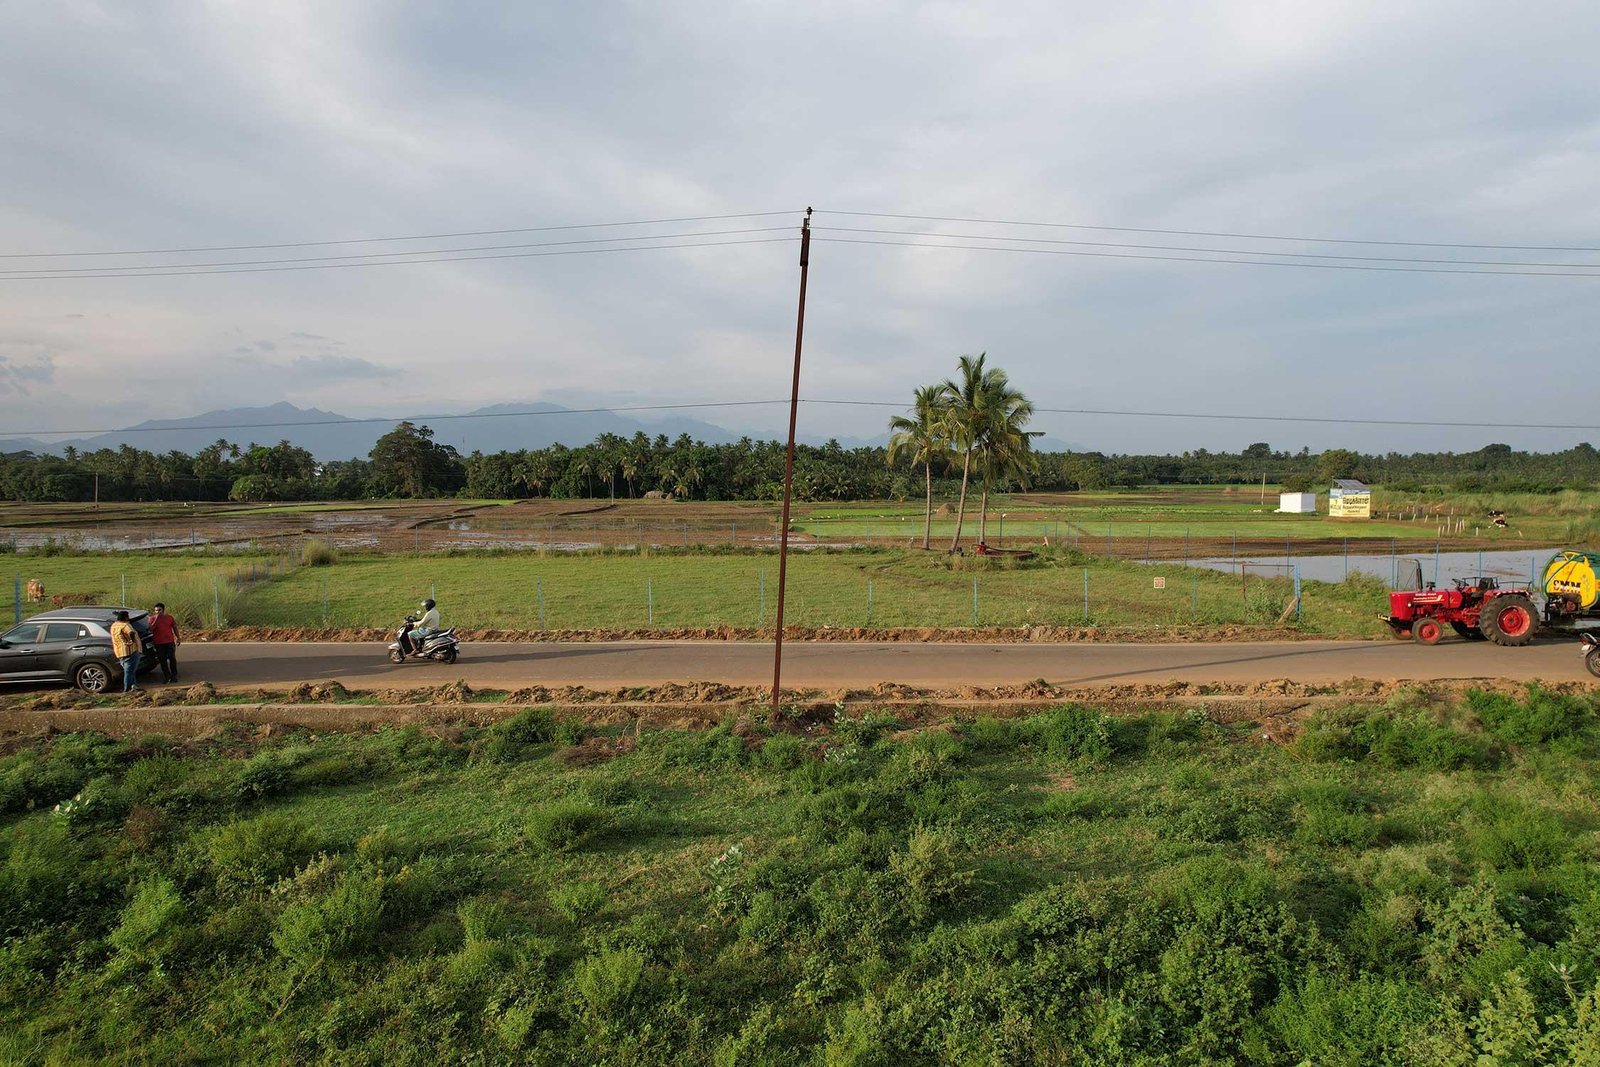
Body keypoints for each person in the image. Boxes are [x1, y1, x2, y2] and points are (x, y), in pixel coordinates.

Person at [110, 610, 143, 694]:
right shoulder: (125, 625)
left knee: (130, 670)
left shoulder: (114, 625)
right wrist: (133, 641)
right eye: (128, 616)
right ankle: (127, 689)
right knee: (129, 671)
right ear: (125, 617)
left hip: (119, 652)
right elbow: (131, 633)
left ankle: (134, 686)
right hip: (130, 650)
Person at [148, 602, 181, 684]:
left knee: (172, 658)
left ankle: (174, 675)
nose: (157, 612)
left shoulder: (169, 618)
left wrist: (178, 637)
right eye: (156, 610)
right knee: (162, 660)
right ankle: (167, 676)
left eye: (159, 610)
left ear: (163, 610)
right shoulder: (152, 619)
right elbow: (151, 629)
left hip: (169, 642)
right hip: (159, 643)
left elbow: (174, 627)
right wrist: (157, 619)